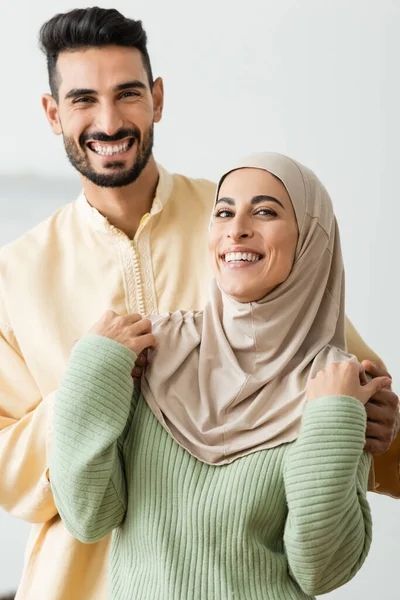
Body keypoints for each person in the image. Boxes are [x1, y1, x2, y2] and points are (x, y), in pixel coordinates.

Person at [0, 7, 398, 600]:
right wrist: (96, 387)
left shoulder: (239, 225)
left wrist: (377, 429)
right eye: (83, 99)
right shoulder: (15, 275)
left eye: (128, 94)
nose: (108, 121)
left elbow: (333, 372)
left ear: (157, 99)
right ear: (53, 113)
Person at [50, 152, 390, 599]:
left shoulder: (335, 387)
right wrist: (91, 371)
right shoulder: (155, 349)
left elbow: (320, 570)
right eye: (224, 212)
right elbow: (88, 516)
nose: (237, 228)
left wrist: (334, 422)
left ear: (311, 238)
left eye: (265, 211)